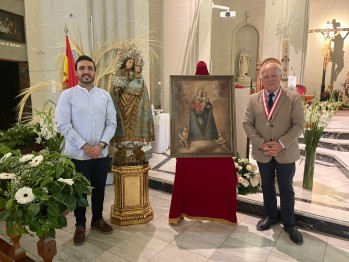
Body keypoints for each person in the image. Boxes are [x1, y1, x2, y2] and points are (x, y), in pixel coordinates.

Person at [55, 55, 117, 245]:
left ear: (95, 71)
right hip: (77, 155)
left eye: (90, 68)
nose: (86, 71)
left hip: (101, 153)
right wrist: (85, 146)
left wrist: (101, 145)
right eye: (82, 68)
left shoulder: (104, 96)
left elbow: (111, 123)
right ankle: (80, 225)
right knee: (79, 192)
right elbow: (63, 124)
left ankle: (97, 219)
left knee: (99, 189)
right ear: (76, 72)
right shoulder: (68, 95)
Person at [243, 61, 305, 245]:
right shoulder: (253, 98)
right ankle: (270, 216)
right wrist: (261, 144)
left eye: (273, 75)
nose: (270, 79)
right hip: (263, 152)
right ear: (261, 78)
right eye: (266, 76)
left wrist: (281, 144)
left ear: (280, 76)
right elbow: (247, 123)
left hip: (285, 152)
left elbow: (299, 125)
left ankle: (289, 223)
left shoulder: (293, 98)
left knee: (286, 188)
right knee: (267, 185)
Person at [169, 60, 237, 225]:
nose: (202, 94)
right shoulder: (195, 97)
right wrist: (197, 108)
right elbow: (192, 107)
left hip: (206, 119)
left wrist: (206, 107)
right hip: (196, 121)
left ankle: (208, 137)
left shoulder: (208, 97)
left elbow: (210, 107)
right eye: (200, 92)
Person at [110, 57, 154, 162]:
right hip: (122, 103)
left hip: (134, 104)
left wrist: (128, 85)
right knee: (122, 122)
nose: (131, 65)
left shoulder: (137, 75)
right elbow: (115, 88)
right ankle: (123, 148)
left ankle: (135, 149)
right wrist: (117, 90)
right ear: (125, 63)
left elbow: (139, 88)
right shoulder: (119, 72)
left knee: (134, 123)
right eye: (129, 62)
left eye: (133, 63)